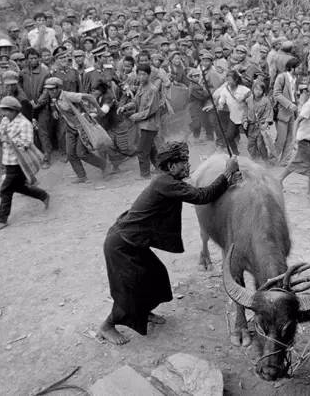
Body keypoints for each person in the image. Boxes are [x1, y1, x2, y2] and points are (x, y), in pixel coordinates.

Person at [98, 141, 240, 344]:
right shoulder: (165, 184)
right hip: (122, 245)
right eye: (183, 162)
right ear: (172, 166)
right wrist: (227, 174)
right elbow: (202, 196)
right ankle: (107, 326)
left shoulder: (168, 181)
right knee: (129, 290)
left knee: (156, 277)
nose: (187, 166)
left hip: (135, 242)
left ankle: (144, 311)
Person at [0, 96, 50, 231]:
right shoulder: (5, 120)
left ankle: (1, 219)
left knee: (5, 190)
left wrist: (11, 141)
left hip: (19, 162)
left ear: (14, 110)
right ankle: (43, 195)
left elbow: (27, 143)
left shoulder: (24, 123)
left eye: (6, 110)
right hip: (8, 161)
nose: (4, 113)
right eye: (3, 110)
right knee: (18, 187)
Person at [44, 77, 109, 183]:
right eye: (48, 89)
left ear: (58, 88)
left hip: (82, 127)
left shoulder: (68, 95)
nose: (50, 91)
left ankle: (104, 165)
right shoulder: (54, 97)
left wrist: (99, 109)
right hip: (70, 127)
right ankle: (82, 176)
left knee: (81, 153)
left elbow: (90, 97)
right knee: (70, 154)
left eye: (52, 89)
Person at [130, 64, 161, 178]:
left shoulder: (152, 89)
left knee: (142, 150)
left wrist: (135, 116)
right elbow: (135, 101)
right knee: (151, 148)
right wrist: (126, 107)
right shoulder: (141, 87)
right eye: (139, 74)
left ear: (149, 75)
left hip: (150, 125)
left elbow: (150, 111)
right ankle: (161, 168)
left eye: (144, 74)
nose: (141, 76)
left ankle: (145, 174)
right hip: (143, 124)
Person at [214, 69, 251, 156]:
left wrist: (244, 97)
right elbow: (222, 100)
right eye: (227, 80)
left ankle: (256, 155)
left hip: (245, 117)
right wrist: (220, 105)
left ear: (236, 80)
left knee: (251, 137)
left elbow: (251, 96)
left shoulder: (243, 89)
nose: (228, 82)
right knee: (229, 137)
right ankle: (235, 153)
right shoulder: (225, 90)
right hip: (233, 117)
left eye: (230, 80)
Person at [243, 79, 274, 163]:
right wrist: (245, 121)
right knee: (250, 145)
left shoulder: (266, 101)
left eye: (260, 90)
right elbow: (245, 111)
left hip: (261, 126)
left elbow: (269, 112)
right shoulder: (249, 100)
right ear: (253, 89)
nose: (258, 92)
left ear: (263, 91)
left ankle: (266, 160)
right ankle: (255, 160)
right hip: (251, 126)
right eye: (256, 89)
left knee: (260, 145)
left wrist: (266, 123)